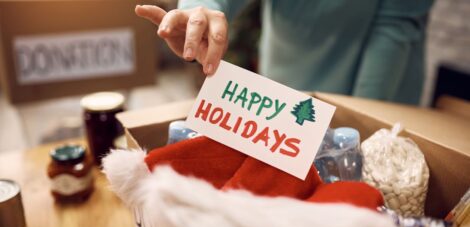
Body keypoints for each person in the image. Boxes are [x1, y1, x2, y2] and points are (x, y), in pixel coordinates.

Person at [135, 0, 434, 105]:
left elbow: (395, 26)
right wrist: (198, 12)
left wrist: (360, 124)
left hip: (383, 88)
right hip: (286, 87)